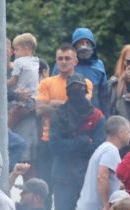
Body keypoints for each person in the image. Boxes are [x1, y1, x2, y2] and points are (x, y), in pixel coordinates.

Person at [48, 73, 106, 210]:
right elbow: (55, 146)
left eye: (80, 88)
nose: (76, 92)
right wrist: (81, 142)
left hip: (87, 179)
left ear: (86, 91)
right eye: (72, 89)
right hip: (62, 178)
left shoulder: (97, 116)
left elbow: (98, 147)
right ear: (67, 92)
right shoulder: (59, 115)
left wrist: (72, 144)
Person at [36, 44, 93, 186]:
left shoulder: (85, 83)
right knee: (45, 185)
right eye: (60, 58)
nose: (63, 61)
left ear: (75, 61)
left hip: (74, 140)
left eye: (68, 58)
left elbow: (82, 109)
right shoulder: (46, 83)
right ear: (56, 61)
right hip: (48, 139)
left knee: (70, 187)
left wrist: (54, 103)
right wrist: (67, 104)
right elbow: (39, 110)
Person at [75, 116, 130, 210]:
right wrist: (106, 205)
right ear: (120, 133)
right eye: (129, 132)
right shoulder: (111, 150)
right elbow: (102, 176)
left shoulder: (103, 148)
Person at [59, 27, 109, 115]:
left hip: (93, 117)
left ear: (92, 45)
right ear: (75, 45)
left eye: (87, 42)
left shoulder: (99, 66)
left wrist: (106, 118)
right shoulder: (64, 63)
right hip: (68, 116)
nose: (84, 46)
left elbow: (104, 97)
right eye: (81, 43)